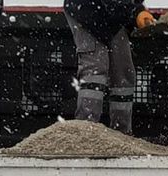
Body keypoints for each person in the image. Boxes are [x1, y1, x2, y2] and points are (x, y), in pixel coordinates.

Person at [63, 0, 156, 134]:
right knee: (95, 69)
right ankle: (85, 132)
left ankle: (122, 134)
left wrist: (140, 10)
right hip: (86, 10)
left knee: (124, 72)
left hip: (112, 18)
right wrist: (135, 12)